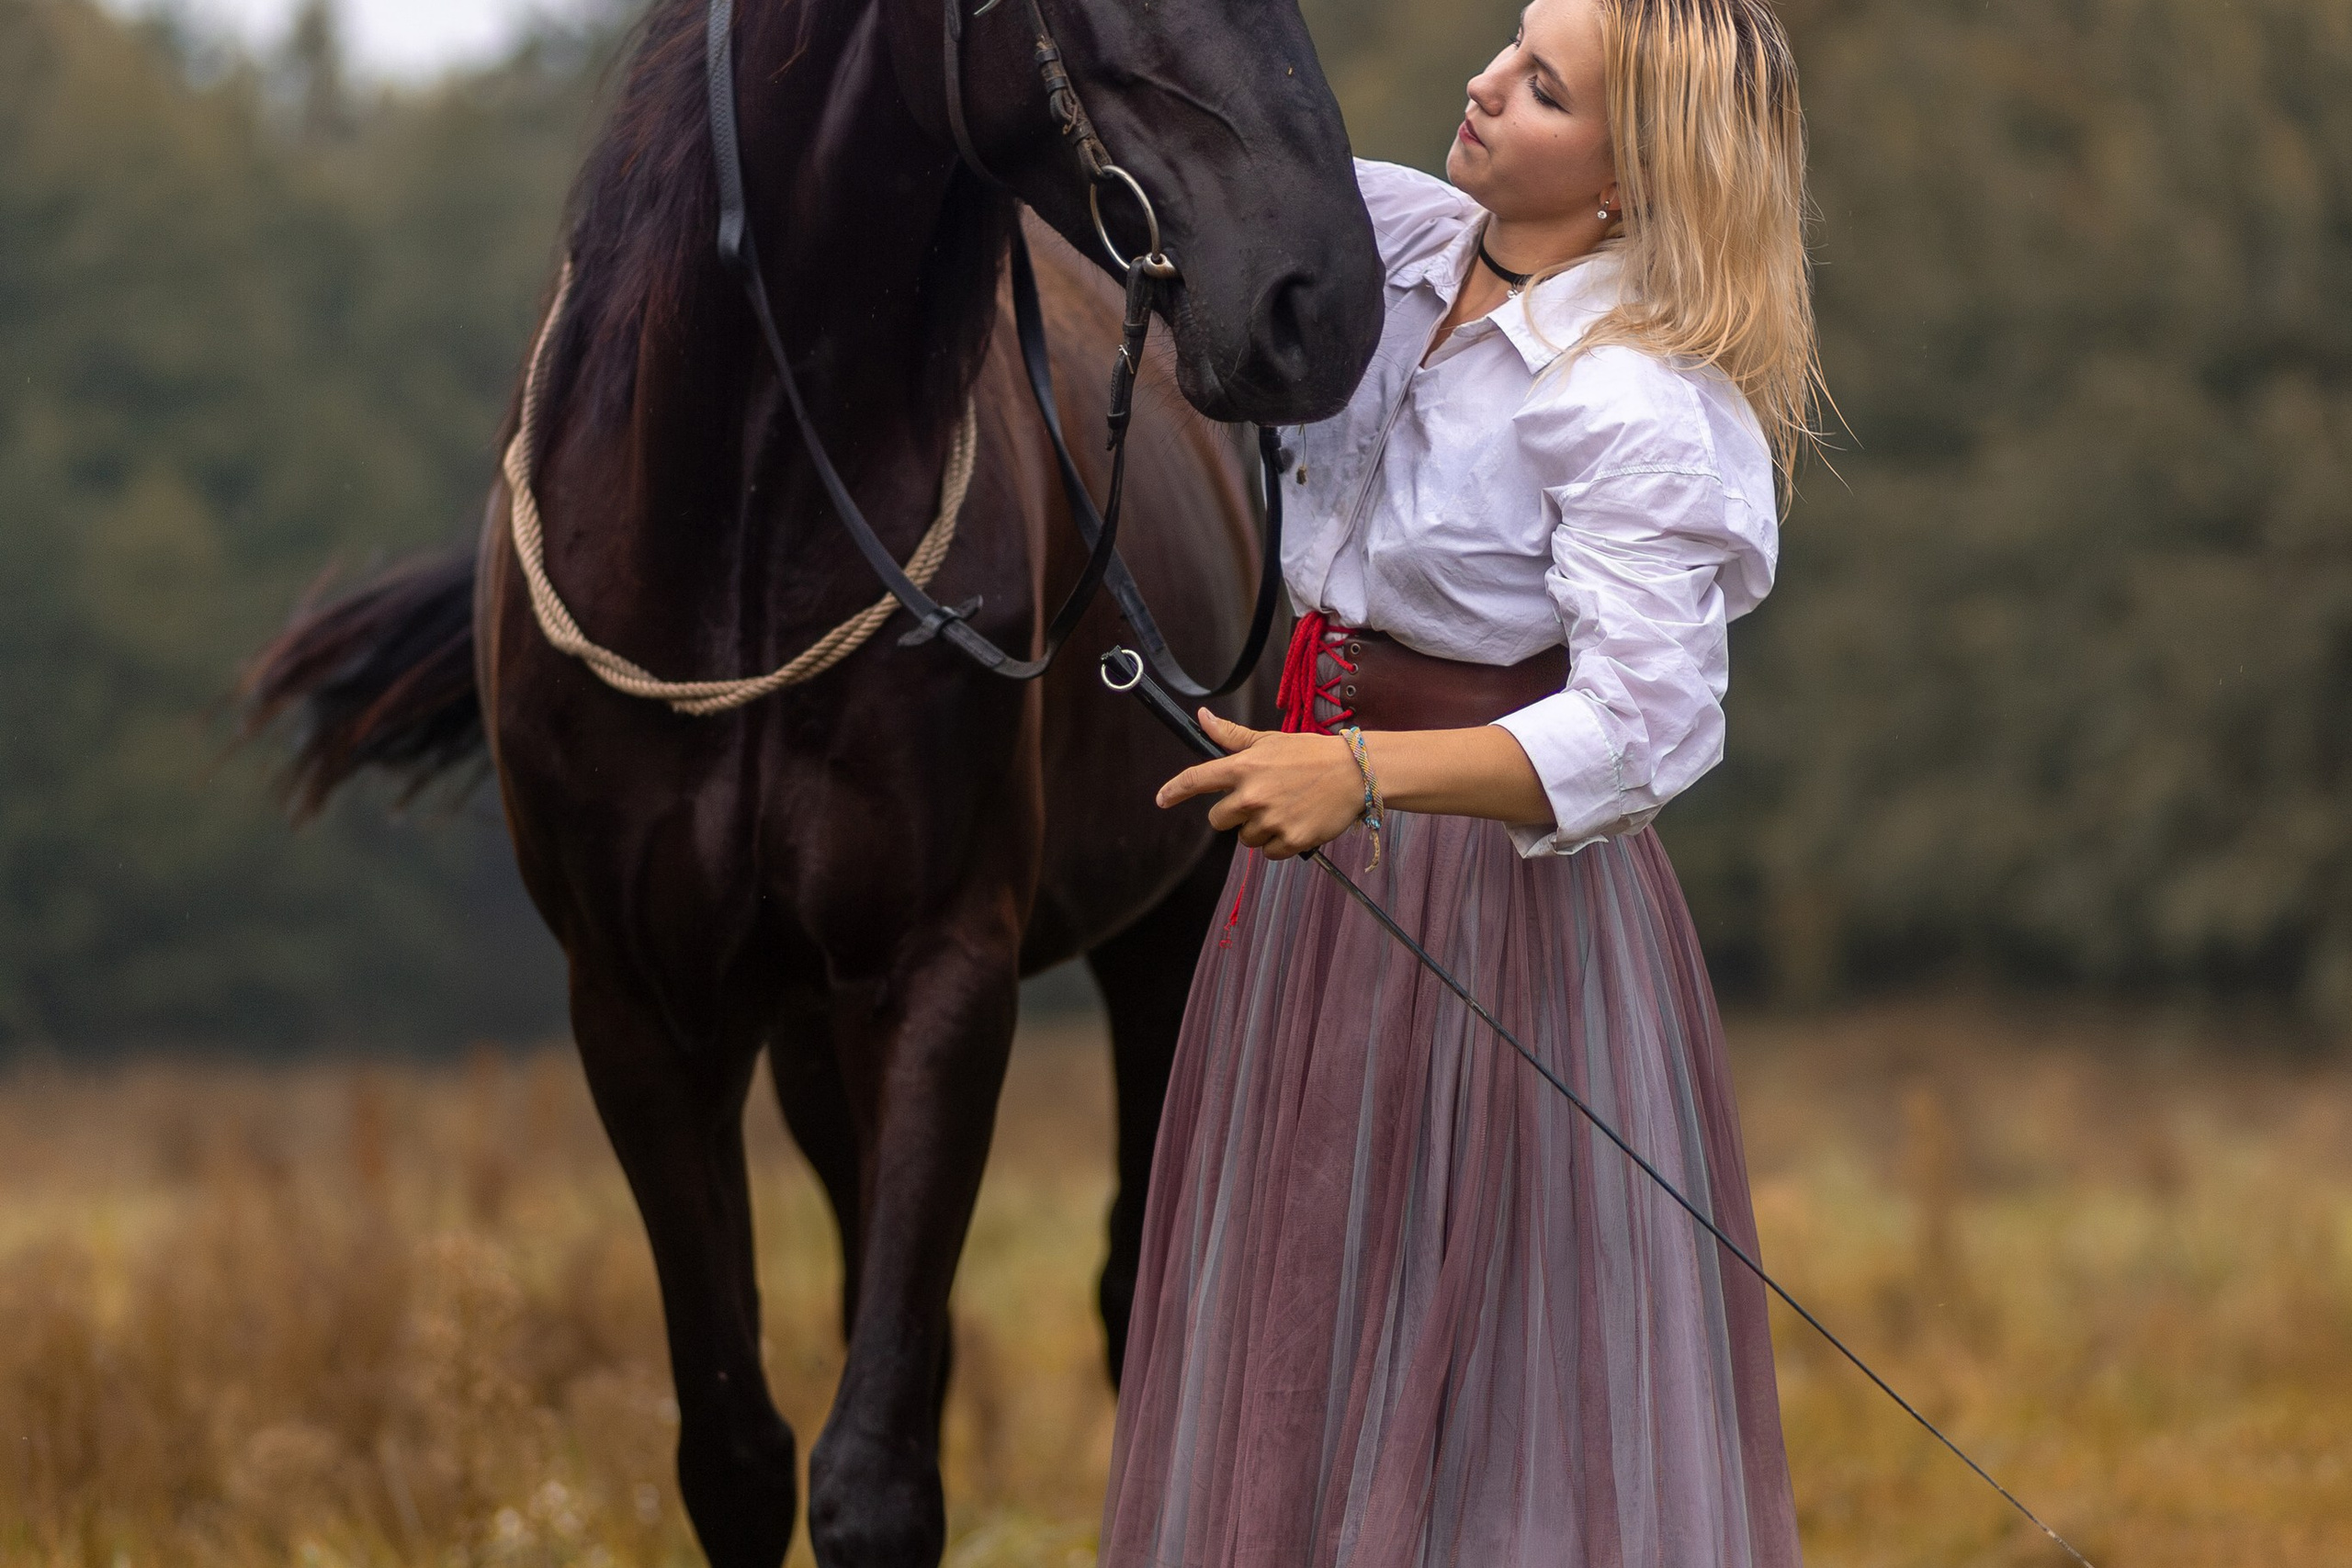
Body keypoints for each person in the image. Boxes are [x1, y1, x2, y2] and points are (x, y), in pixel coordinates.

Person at [1096, 0, 1821, 1562]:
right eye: (1509, 44)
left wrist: (1361, 776)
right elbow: (1168, 141)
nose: (1486, 85)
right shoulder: (1395, 236)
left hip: (1499, 904)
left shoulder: (1630, 398)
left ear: (1632, 181)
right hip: (1311, 877)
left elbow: (1644, 729)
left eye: (1544, 89)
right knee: (1301, 1308)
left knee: (1488, 1352)